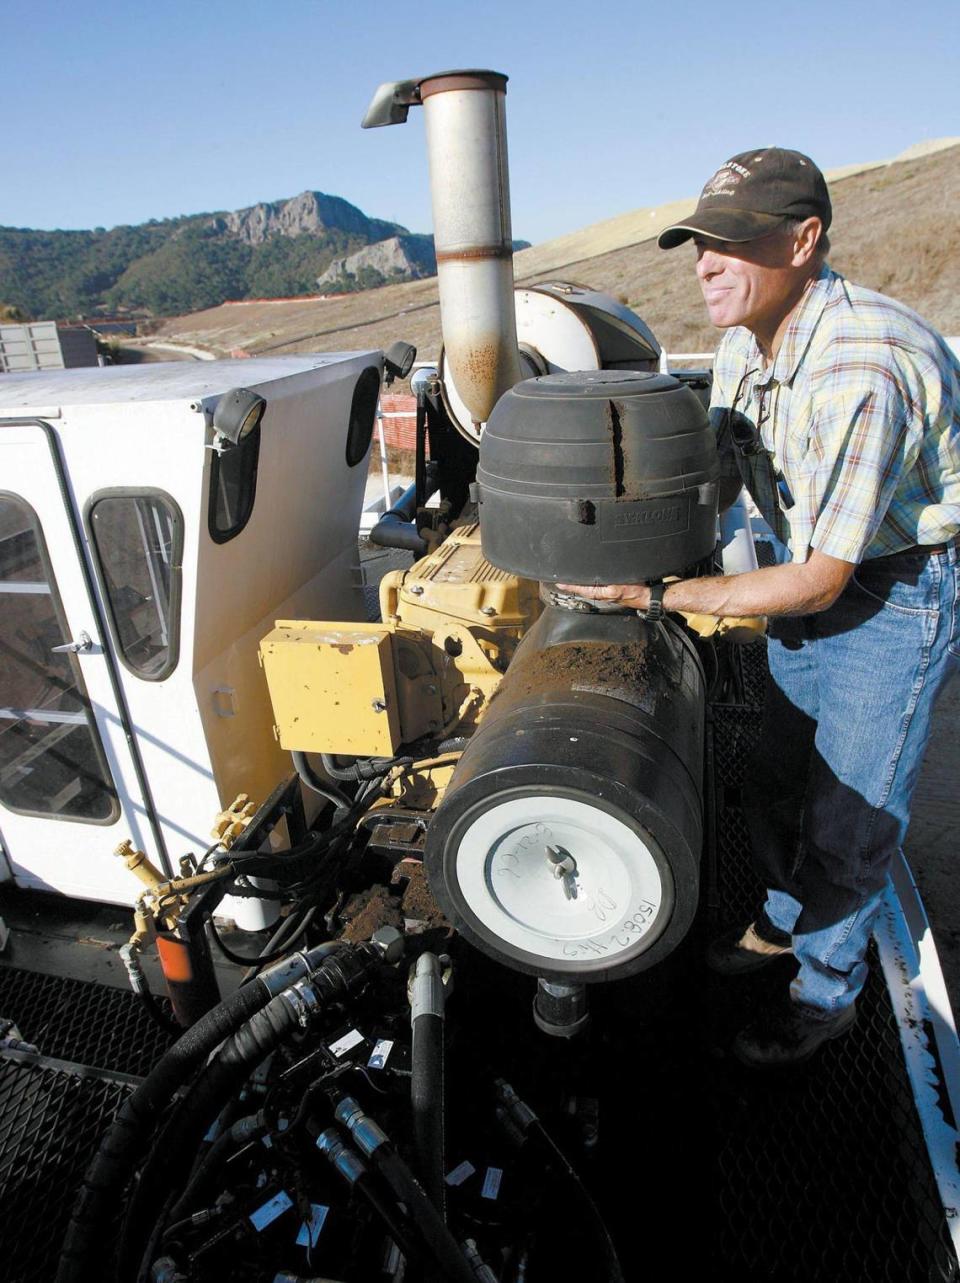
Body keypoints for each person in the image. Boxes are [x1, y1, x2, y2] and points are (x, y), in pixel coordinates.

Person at [560, 147, 960, 1067]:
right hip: (809, 570)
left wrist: (662, 594)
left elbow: (822, 578)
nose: (705, 263)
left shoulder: (865, 368)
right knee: (779, 773)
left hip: (892, 593)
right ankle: (782, 922)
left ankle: (824, 997)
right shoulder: (746, 345)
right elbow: (718, 476)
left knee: (853, 818)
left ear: (804, 240)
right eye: (700, 242)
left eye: (731, 243)